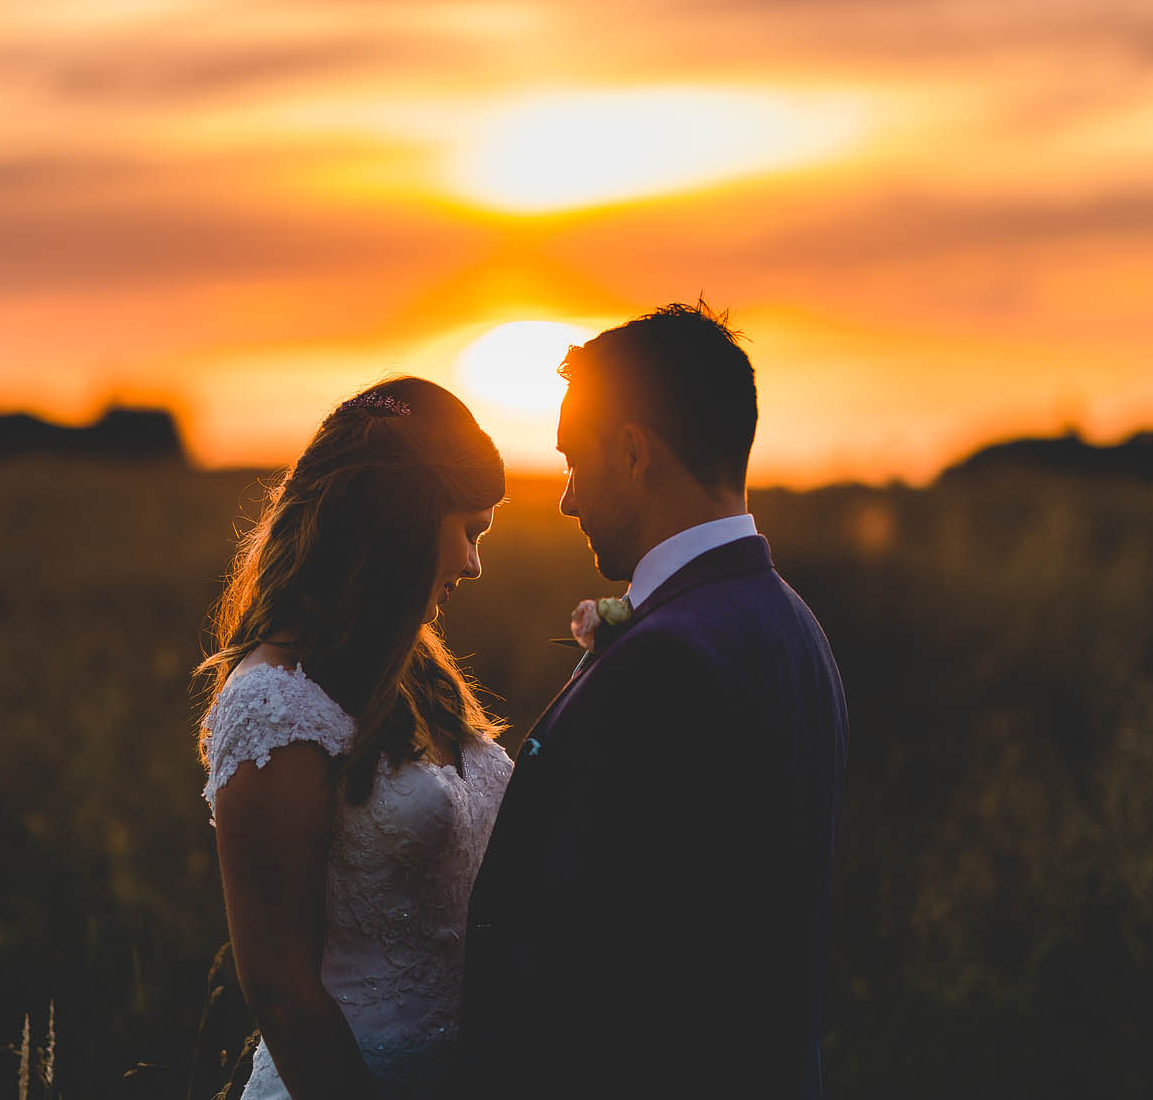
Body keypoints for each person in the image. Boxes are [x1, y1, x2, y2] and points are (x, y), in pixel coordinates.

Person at [462, 302, 850, 1097]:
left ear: (634, 452)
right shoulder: (795, 624)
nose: (567, 499)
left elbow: (602, 966)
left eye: (575, 461)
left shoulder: (664, 659)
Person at [195, 377, 513, 1099]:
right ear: (401, 521)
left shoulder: (420, 674)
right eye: (469, 528)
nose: (473, 563)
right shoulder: (272, 701)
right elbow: (279, 987)